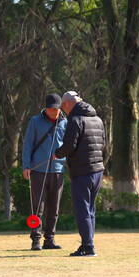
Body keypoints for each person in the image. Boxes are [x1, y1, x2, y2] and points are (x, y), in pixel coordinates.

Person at [53, 91, 105, 257]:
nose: (63, 110)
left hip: (82, 171)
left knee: (82, 209)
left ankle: (88, 246)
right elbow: (103, 143)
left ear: (68, 104)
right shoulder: (97, 119)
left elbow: (69, 145)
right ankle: (89, 243)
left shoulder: (75, 120)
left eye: (63, 107)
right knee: (90, 209)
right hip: (98, 170)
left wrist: (57, 154)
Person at [22, 94, 67, 251]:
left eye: (56, 109)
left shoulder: (65, 122)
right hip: (38, 170)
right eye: (50, 109)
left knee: (54, 208)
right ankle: (36, 240)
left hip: (58, 170)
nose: (54, 112)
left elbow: (67, 145)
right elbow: (28, 144)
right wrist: (26, 165)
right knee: (38, 207)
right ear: (45, 108)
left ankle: (50, 239)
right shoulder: (35, 121)